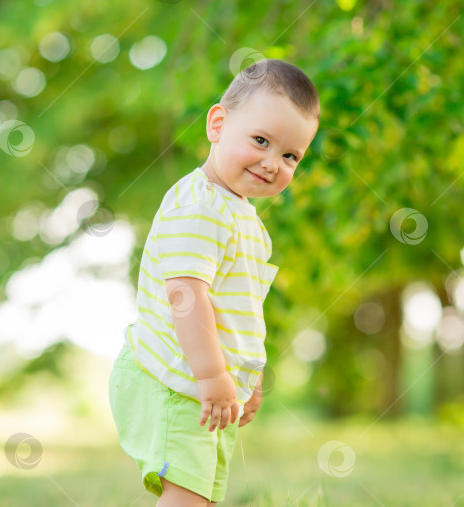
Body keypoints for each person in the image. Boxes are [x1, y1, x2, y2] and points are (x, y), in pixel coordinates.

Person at [108, 58, 320, 506]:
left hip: (197, 380)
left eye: (290, 156)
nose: (271, 163)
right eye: (260, 140)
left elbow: (234, 310)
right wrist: (213, 374)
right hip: (174, 378)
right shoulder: (201, 207)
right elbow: (186, 296)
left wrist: (245, 376)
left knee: (199, 498)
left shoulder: (237, 211)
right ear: (218, 124)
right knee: (187, 499)